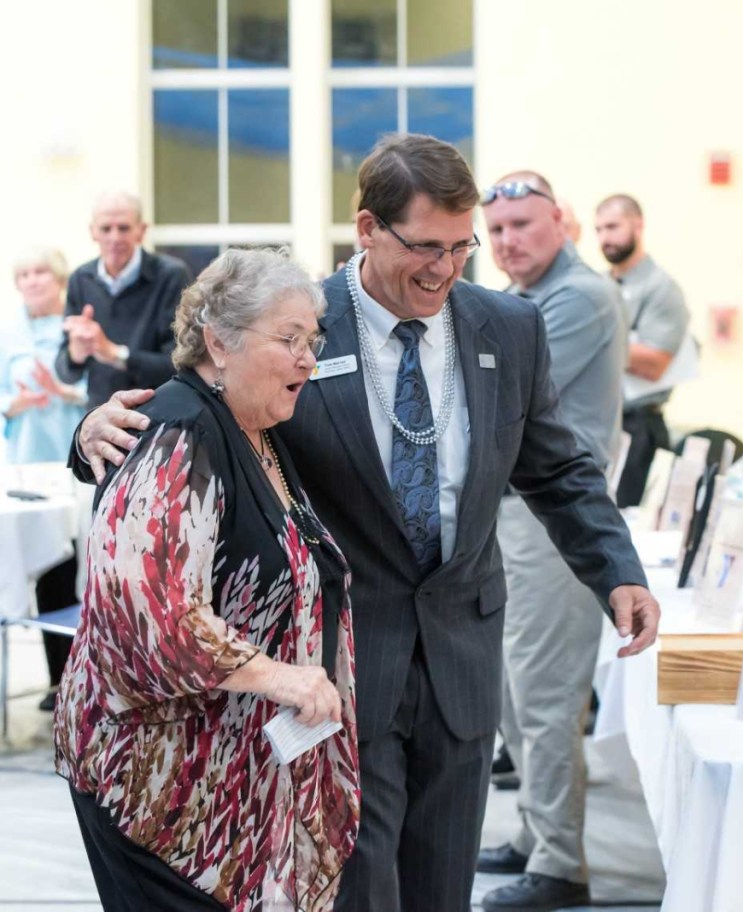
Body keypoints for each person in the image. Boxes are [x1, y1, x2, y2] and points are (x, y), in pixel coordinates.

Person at [73, 134, 660, 912]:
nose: (444, 270)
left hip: (461, 655)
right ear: (369, 228)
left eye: (461, 247)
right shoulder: (298, 327)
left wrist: (615, 569)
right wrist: (95, 437)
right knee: (361, 889)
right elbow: (199, 407)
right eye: (424, 246)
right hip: (339, 667)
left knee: (441, 888)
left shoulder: (506, 330)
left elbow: (556, 468)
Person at [54, 249, 359, 911]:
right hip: (154, 783)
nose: (309, 358)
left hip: (223, 777)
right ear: (218, 344)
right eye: (289, 339)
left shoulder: (258, 427)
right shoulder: (180, 432)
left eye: (313, 339)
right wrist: (281, 676)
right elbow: (151, 615)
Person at [477, 173, 625, 912]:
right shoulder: (526, 300)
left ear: (560, 222)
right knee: (509, 684)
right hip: (512, 515)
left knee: (544, 693)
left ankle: (561, 865)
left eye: (523, 226)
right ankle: (537, 833)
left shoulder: (578, 299)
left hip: (551, 520)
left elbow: (502, 396)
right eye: (496, 230)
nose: (508, 242)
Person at [1, 247, 86, 708]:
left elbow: (96, 390)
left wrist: (61, 392)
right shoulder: (9, 330)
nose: (32, 281)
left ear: (57, 280)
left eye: (40, 273)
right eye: (24, 274)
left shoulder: (76, 326)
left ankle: (80, 678)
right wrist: (16, 404)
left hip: (74, 470)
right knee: (41, 574)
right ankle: (57, 682)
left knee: (74, 575)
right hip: (27, 470)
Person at [595, 193, 692, 507]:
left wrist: (597, 341)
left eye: (612, 227)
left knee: (626, 523)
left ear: (637, 226)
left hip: (638, 428)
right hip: (599, 422)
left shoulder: (660, 287)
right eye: (598, 230)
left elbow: (655, 362)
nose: (605, 238)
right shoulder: (598, 285)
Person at [55, 191, 190, 408]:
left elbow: (181, 363)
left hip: (159, 415)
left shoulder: (171, 276)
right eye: (106, 228)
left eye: (124, 228)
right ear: (92, 232)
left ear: (141, 230)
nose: (114, 238)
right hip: (101, 417)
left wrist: (115, 354)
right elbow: (65, 373)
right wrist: (76, 354)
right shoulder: (80, 279)